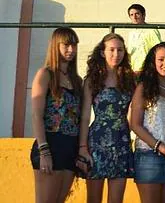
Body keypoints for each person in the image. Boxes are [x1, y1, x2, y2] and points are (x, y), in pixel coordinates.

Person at [77, 33, 136, 203]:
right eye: (111, 50)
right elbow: (85, 116)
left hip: (121, 142)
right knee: (93, 200)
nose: (116, 54)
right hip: (96, 143)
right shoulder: (92, 80)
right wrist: (82, 147)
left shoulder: (130, 80)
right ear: (102, 52)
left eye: (120, 50)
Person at [130, 42, 165, 203]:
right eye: (160, 59)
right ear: (153, 62)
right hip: (149, 155)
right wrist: (159, 146)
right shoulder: (143, 88)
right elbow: (135, 124)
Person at [30, 27, 83, 203]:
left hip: (70, 147)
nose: (71, 50)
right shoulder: (45, 74)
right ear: (55, 45)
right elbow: (36, 115)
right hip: (50, 145)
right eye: (66, 45)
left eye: (74, 45)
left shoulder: (77, 81)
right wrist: (44, 151)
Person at [127, 4, 162, 74]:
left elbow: (158, 50)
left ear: (143, 15)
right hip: (133, 71)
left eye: (137, 14)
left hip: (146, 70)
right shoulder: (131, 33)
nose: (134, 17)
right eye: (131, 15)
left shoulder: (151, 30)